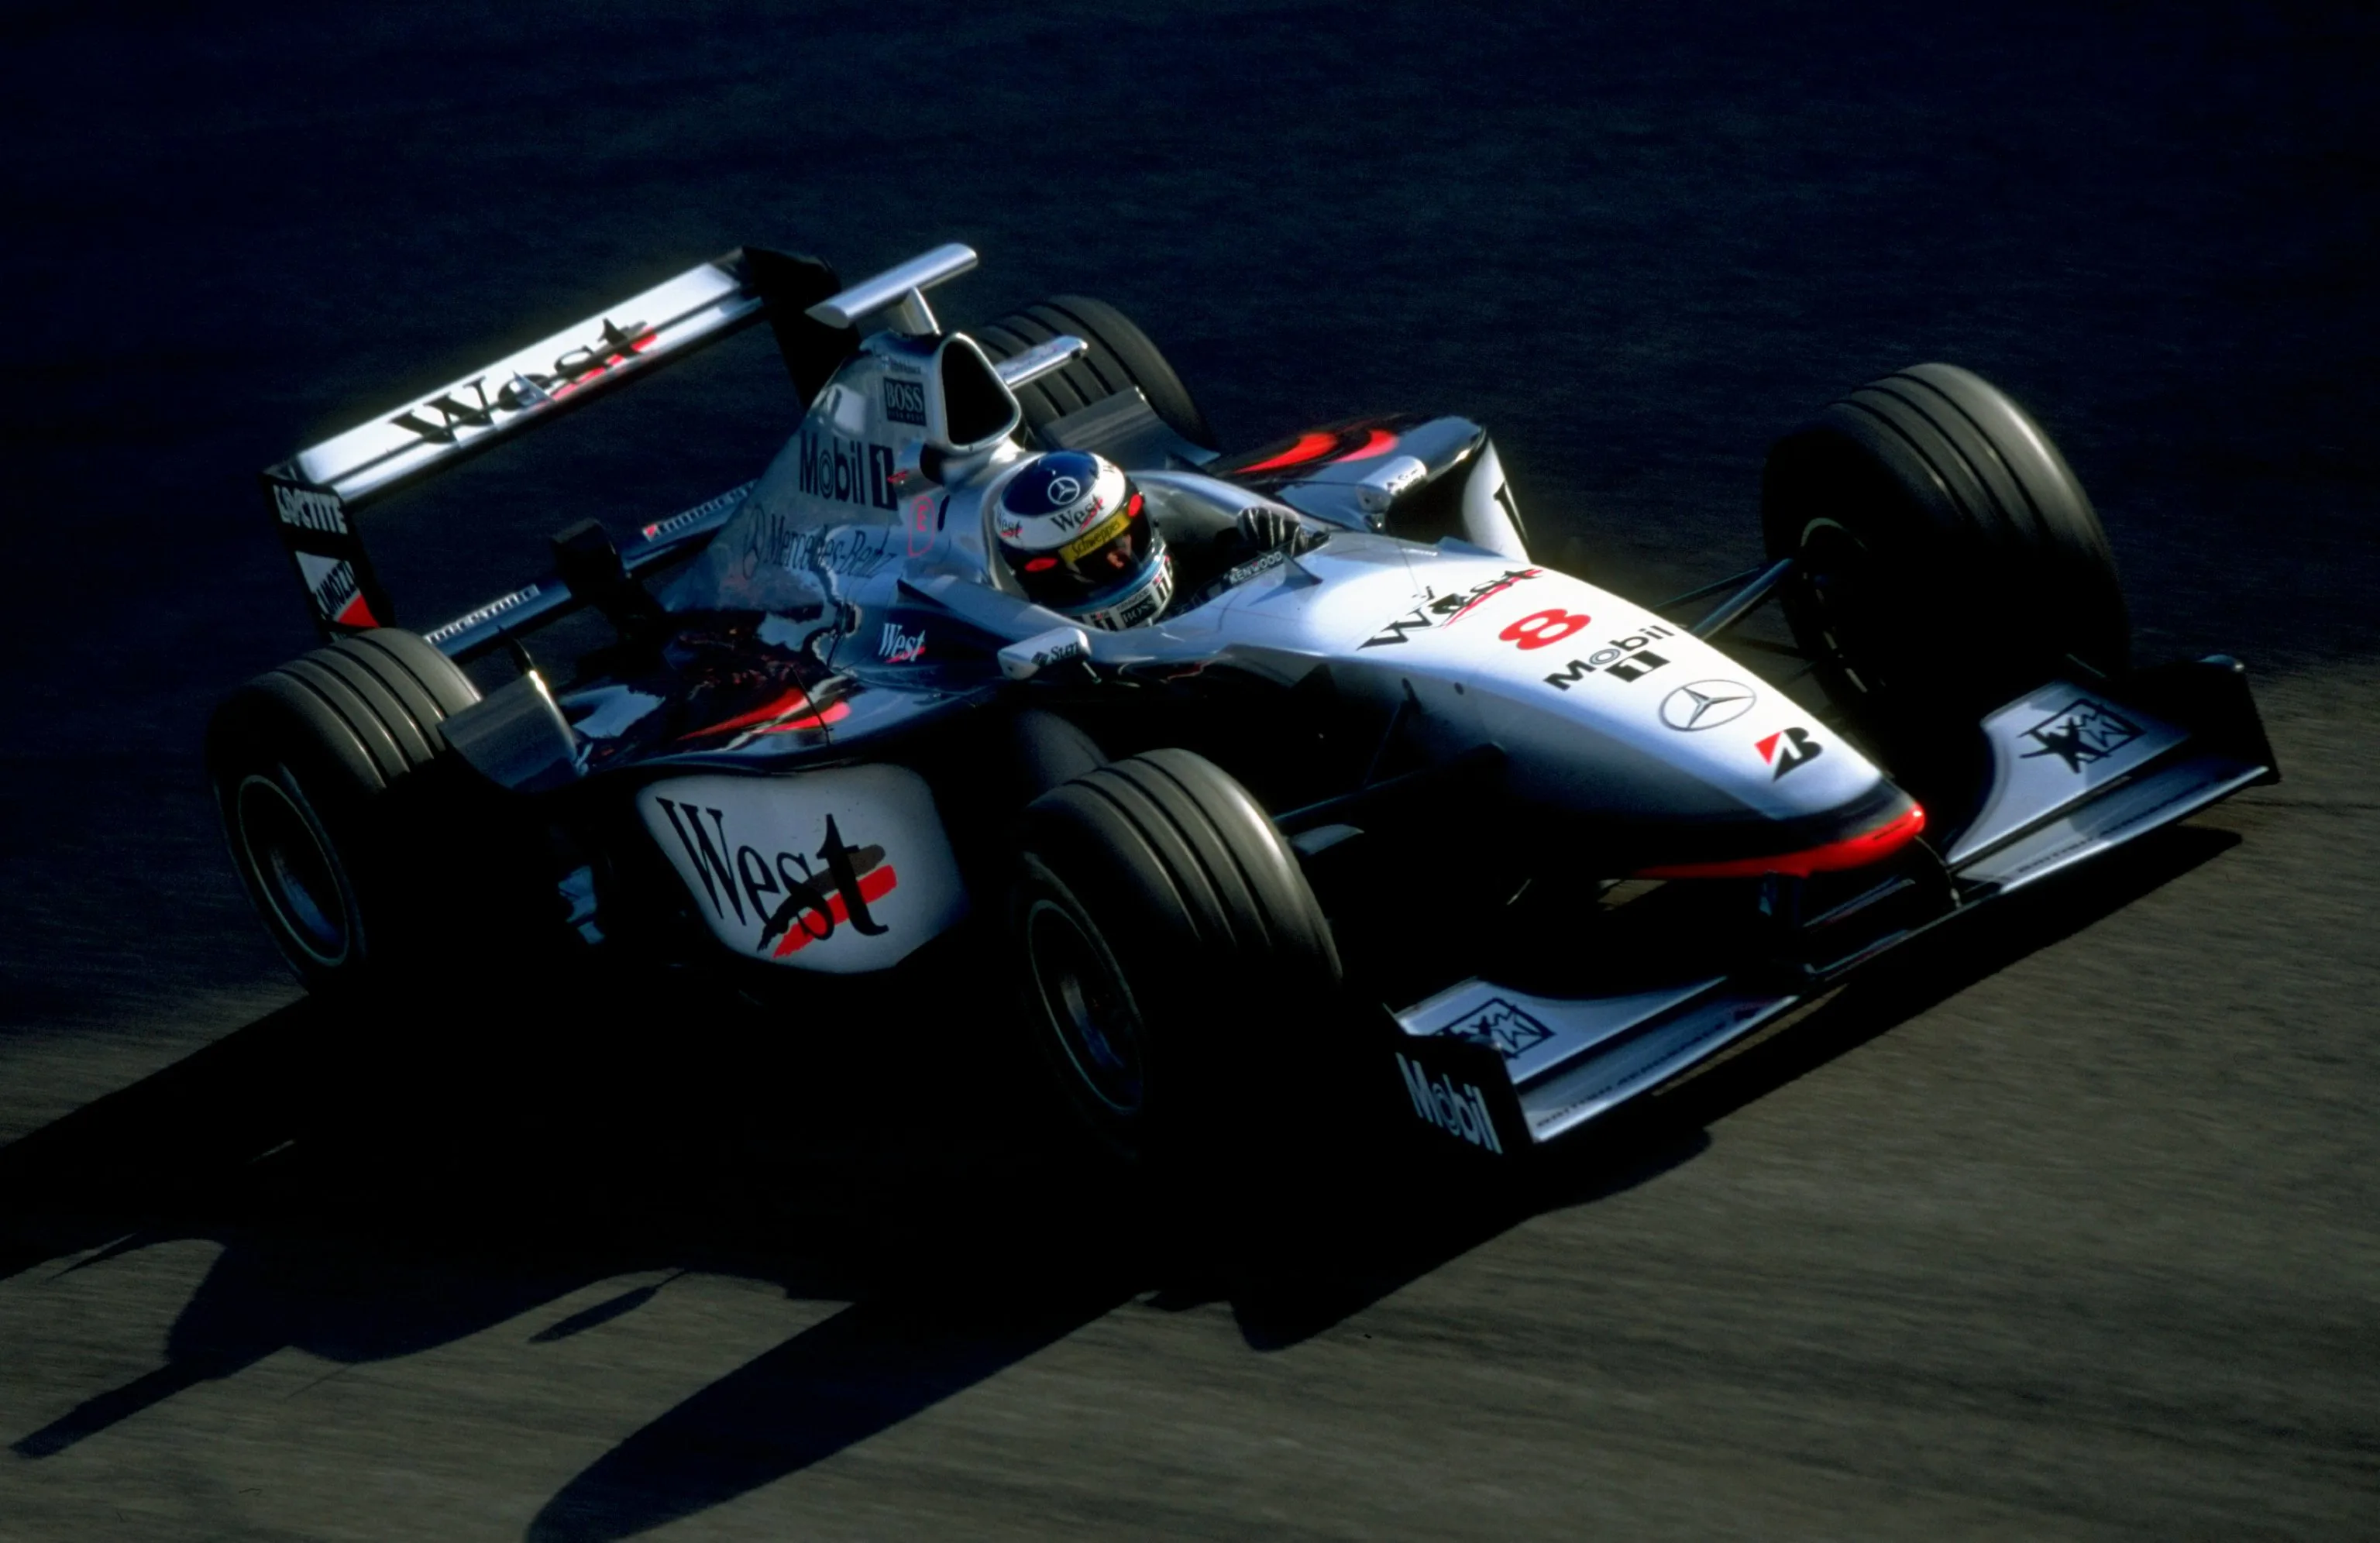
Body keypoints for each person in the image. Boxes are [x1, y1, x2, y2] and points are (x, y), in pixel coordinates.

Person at [992, 449, 1302, 631]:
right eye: (1094, 560)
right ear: (1045, 576)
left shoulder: (1208, 559)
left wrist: (1284, 548)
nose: (1121, 557)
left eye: (1125, 537)